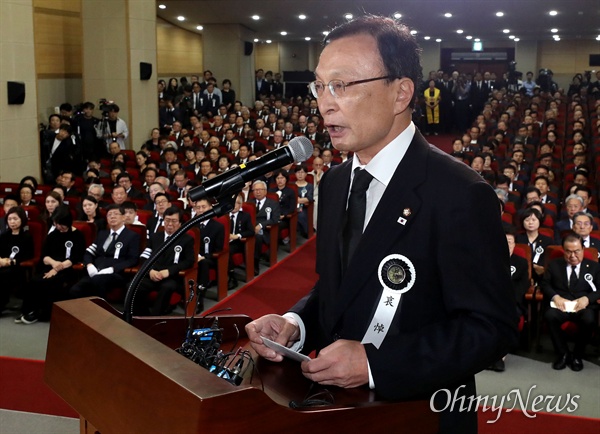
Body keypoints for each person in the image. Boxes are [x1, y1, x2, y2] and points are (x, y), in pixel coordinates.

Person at [245, 16, 517, 434]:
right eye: (319, 86)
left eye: (343, 85)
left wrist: (375, 364)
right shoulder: (335, 182)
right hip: (338, 409)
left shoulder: (460, 194)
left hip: (420, 414)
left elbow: (490, 328)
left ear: (401, 93)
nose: (324, 103)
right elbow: (339, 288)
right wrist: (295, 324)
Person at [541, 233, 600, 371]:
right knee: (550, 316)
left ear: (583, 250)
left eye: (577, 251)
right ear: (563, 250)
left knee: (589, 319)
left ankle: (577, 355)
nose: (573, 256)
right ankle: (563, 353)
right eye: (568, 251)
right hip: (561, 304)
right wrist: (555, 297)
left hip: (583, 305)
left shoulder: (594, 267)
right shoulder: (554, 265)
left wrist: (587, 299)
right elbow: (545, 284)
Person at [16, 208, 85, 324]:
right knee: (35, 280)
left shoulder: (78, 235)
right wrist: (53, 264)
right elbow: (44, 256)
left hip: (67, 268)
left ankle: (40, 313)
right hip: (51, 265)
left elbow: (76, 257)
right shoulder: (53, 235)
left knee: (49, 281)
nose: (58, 226)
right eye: (55, 223)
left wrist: (57, 268)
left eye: (60, 224)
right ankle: (28, 310)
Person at [69, 204, 140, 299]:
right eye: (109, 215)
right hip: (96, 272)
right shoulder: (102, 234)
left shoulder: (132, 236)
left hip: (116, 274)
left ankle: (100, 312)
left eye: (116, 214)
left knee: (98, 281)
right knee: (75, 290)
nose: (112, 216)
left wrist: (113, 269)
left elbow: (132, 259)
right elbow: (89, 252)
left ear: (123, 217)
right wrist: (89, 265)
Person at [136, 206, 195, 315]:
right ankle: (142, 316)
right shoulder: (155, 237)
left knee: (167, 287)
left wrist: (169, 271)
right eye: (167, 220)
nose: (169, 224)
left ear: (180, 223)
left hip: (172, 277)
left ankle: (155, 317)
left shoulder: (187, 239)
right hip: (154, 274)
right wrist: (150, 271)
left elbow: (189, 261)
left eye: (174, 221)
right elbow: (144, 257)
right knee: (134, 285)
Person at [0, 207, 34, 312]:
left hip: (18, 266)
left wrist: (11, 262)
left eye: (15, 219)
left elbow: (28, 255)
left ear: (22, 220)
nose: (12, 222)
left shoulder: (27, 236)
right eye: (9, 219)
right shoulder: (4, 236)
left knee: (3, 274)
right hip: (3, 264)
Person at [250, 180, 280, 276]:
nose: (257, 192)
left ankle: (255, 264)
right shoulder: (249, 203)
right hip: (250, 229)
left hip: (266, 231)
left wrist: (261, 225)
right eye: (255, 190)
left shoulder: (273, 203)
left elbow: (275, 219)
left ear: (265, 191)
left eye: (260, 190)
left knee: (257, 238)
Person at [227, 194, 254, 289]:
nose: (235, 205)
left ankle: (232, 277)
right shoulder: (223, 216)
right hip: (224, 241)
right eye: (233, 203)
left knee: (227, 251)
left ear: (241, 205)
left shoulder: (245, 216)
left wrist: (237, 236)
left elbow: (251, 231)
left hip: (238, 243)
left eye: (237, 203)